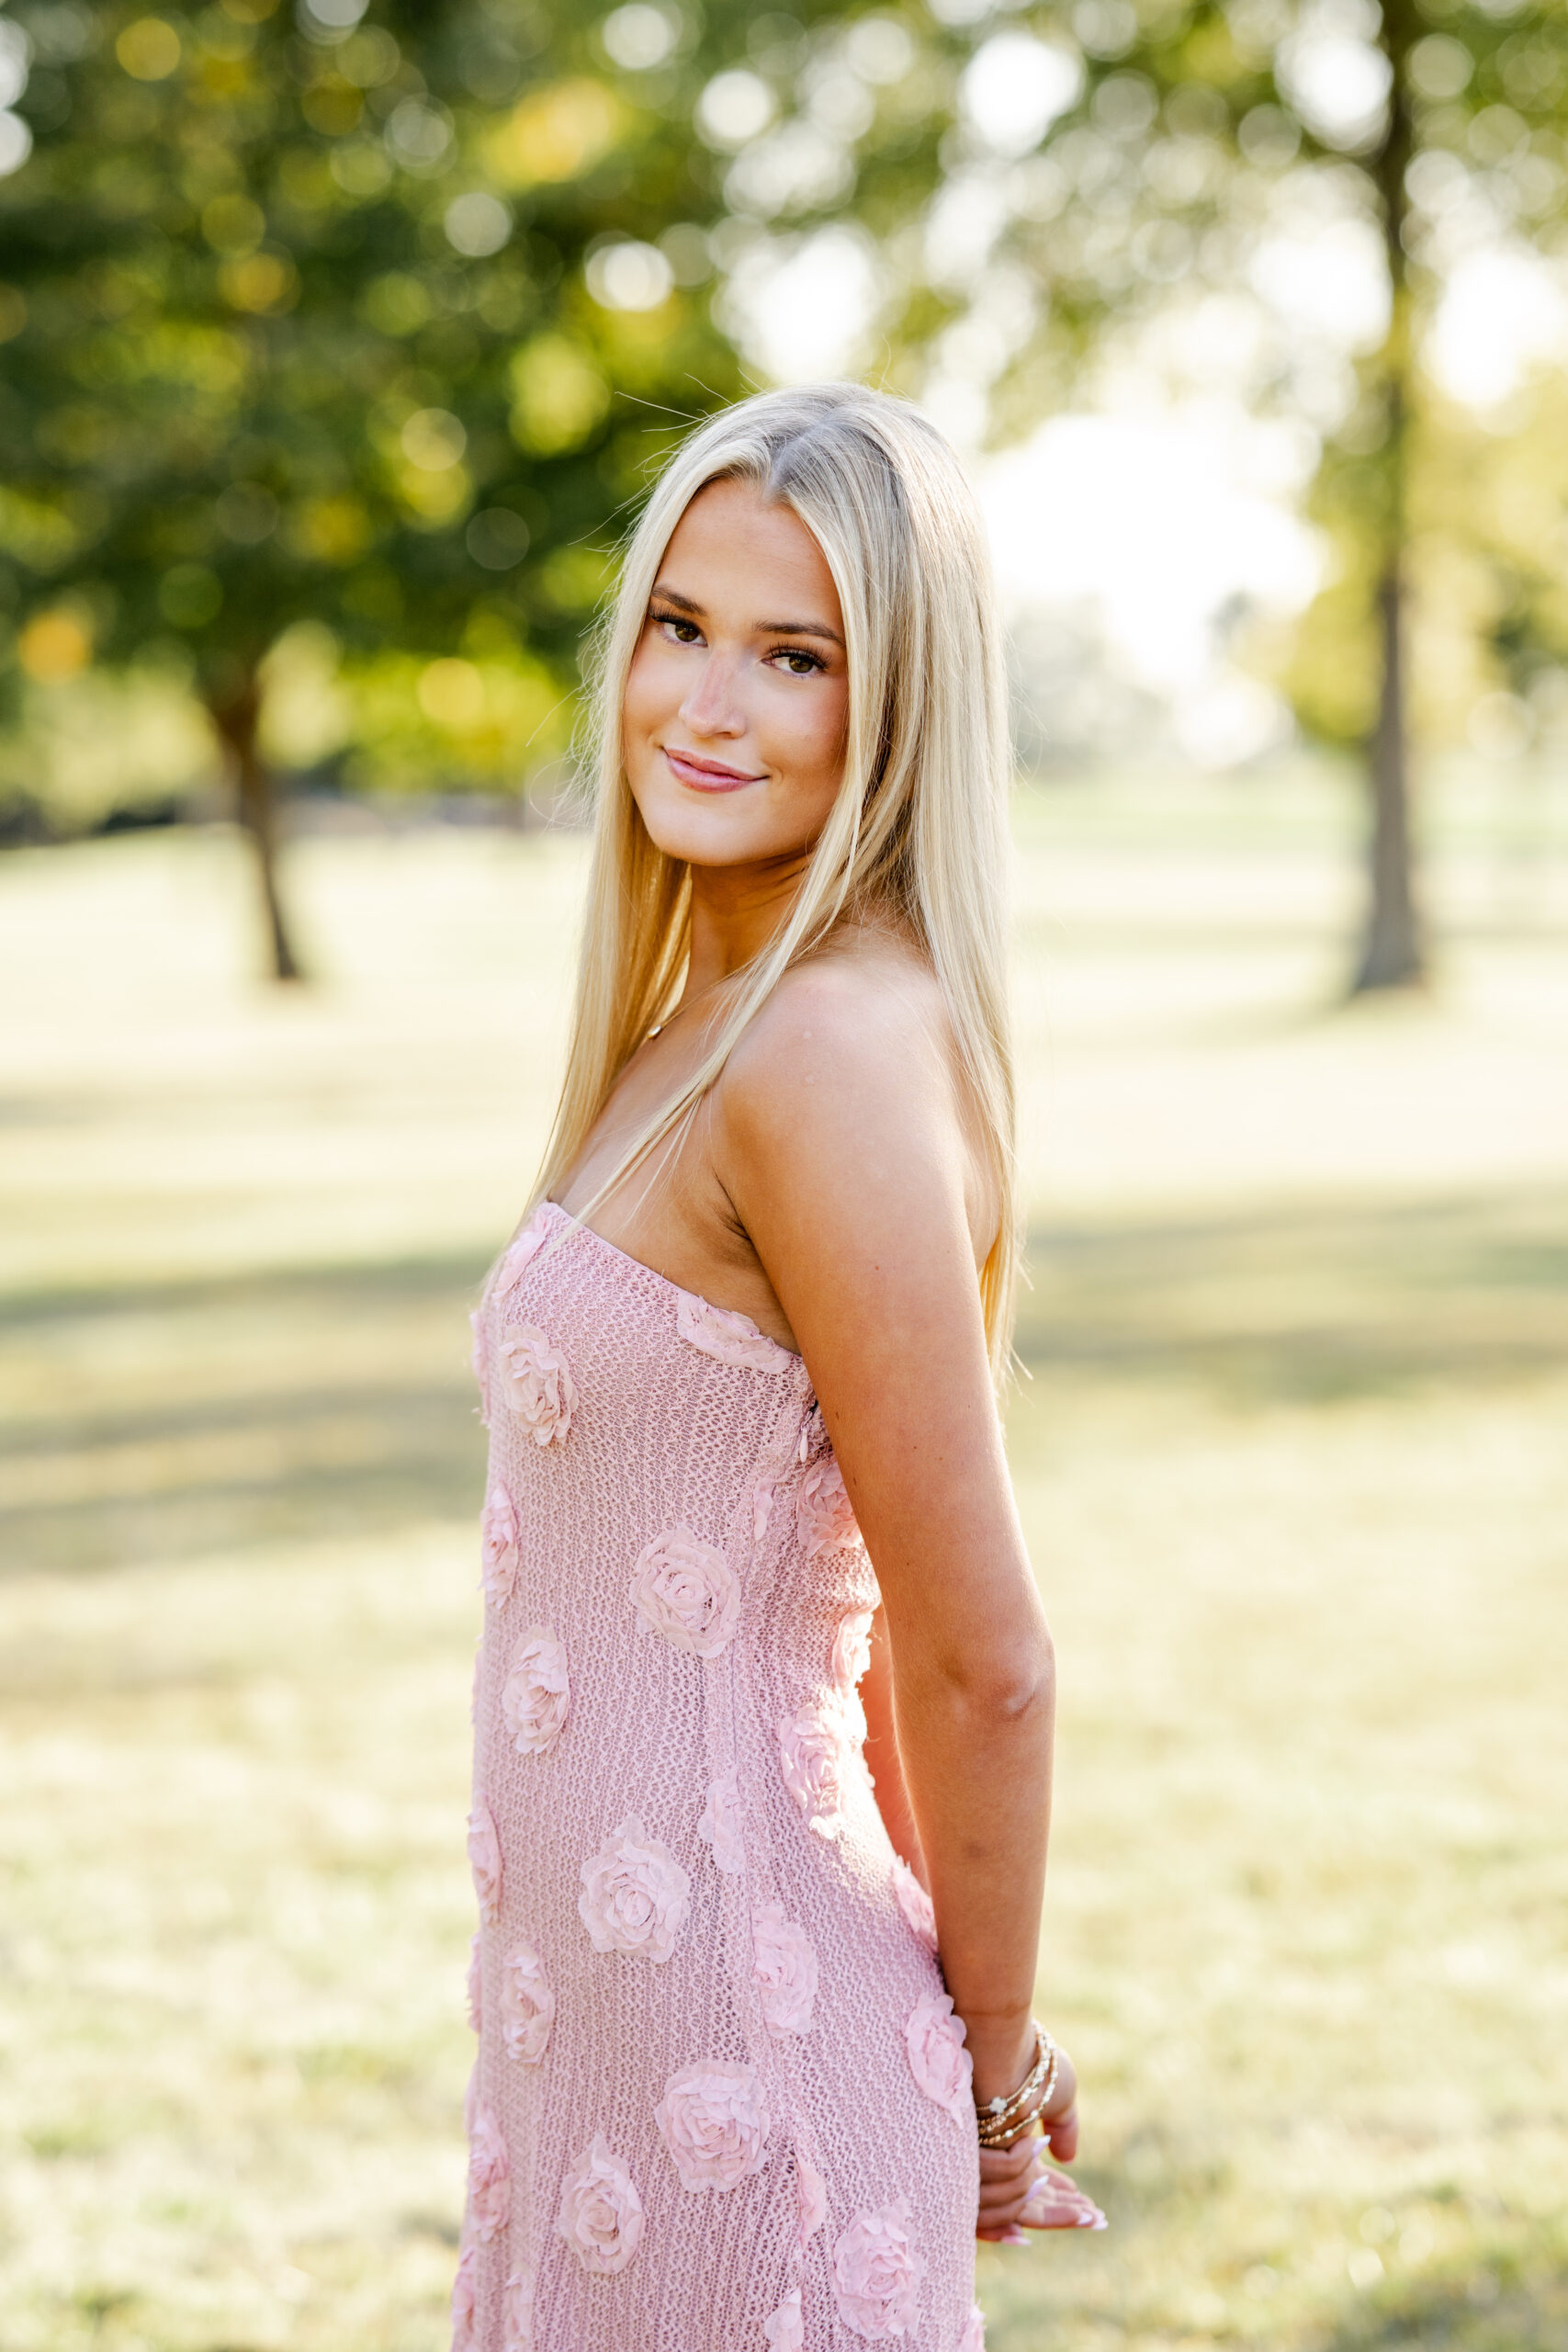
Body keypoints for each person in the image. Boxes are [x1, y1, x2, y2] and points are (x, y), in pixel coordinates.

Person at [456, 382, 1102, 2352]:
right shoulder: (701, 1020)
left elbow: (975, 1646)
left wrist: (988, 2074)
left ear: (893, 701)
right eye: (679, 627)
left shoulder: (821, 1051)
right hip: (604, 2043)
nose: (703, 705)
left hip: (753, 2071)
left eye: (792, 654)